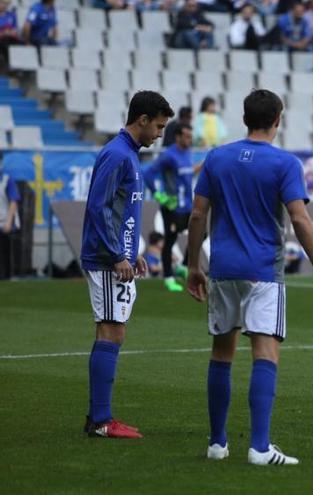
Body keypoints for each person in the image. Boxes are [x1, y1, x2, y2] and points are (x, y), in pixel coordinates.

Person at [186, 89, 313, 465]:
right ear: (278, 120)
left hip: (221, 269)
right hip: (263, 272)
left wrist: (193, 266)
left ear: (243, 118)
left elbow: (197, 215)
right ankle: (259, 447)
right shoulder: (284, 164)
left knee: (222, 353)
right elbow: (299, 219)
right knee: (265, 352)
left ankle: (217, 444)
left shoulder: (217, 158)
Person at [80, 91, 174, 438]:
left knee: (112, 329)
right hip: (106, 261)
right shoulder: (118, 155)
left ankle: (98, 417)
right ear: (143, 120)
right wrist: (117, 254)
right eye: (159, 126)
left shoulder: (129, 155)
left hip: (117, 256)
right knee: (111, 330)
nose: (160, 133)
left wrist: (131, 249)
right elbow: (98, 208)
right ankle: (101, 421)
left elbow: (120, 211)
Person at [147, 123, 198, 292]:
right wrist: (158, 194)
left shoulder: (188, 153)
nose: (190, 140)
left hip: (187, 206)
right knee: (170, 240)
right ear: (178, 137)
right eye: (187, 136)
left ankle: (182, 266)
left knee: (201, 233)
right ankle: (168, 277)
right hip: (172, 206)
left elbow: (187, 174)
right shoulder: (169, 155)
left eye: (191, 137)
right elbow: (149, 173)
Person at [0, 158, 20, 279]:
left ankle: (6, 277)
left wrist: (8, 222)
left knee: (4, 253)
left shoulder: (7, 179)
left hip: (4, 223)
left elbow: (14, 201)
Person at [0, 0, 22, 68]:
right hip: (2, 40)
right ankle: (9, 65)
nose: (5, 6)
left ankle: (18, 66)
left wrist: (11, 32)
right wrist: (3, 33)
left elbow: (15, 29)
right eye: (3, 3)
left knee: (20, 44)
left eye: (6, 4)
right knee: (5, 44)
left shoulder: (12, 15)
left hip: (11, 38)